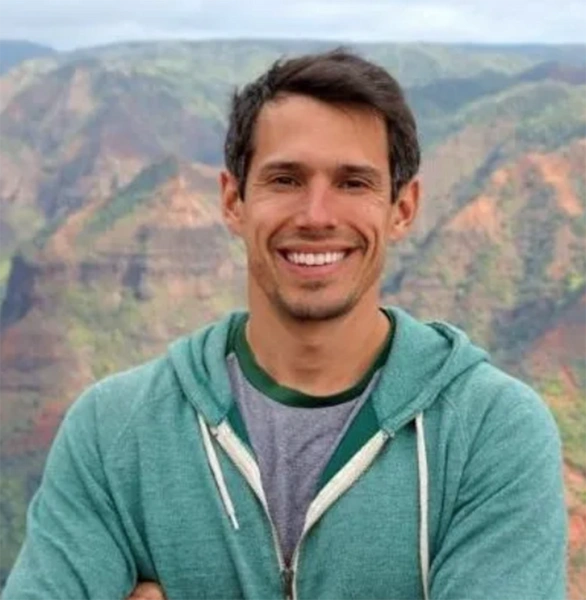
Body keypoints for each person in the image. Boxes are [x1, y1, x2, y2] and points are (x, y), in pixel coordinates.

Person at [4, 49, 567, 600]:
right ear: (233, 201)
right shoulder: (113, 431)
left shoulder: (490, 432)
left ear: (402, 208)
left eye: (353, 183)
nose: (316, 216)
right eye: (285, 179)